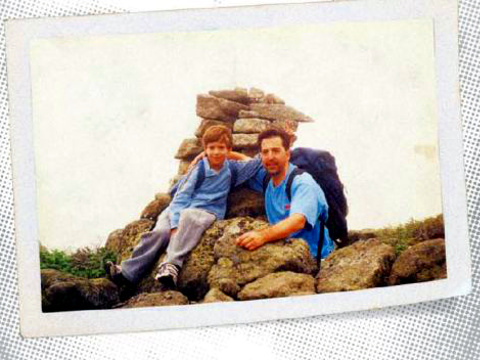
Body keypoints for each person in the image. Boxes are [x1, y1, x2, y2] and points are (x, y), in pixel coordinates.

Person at [105, 125, 262, 289]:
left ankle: (171, 265)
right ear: (205, 149)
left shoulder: (232, 169)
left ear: (228, 149)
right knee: (159, 233)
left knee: (189, 217)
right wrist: (174, 224)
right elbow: (181, 197)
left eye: (221, 148)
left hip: (206, 211)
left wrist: (233, 154)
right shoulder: (198, 168)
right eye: (211, 148)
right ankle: (127, 273)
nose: (216, 152)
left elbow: (256, 162)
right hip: (179, 209)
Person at [236, 128, 335, 259]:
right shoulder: (266, 179)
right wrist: (222, 154)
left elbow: (298, 220)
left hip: (315, 258)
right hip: (284, 253)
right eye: (265, 152)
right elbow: (245, 163)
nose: (270, 157)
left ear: (287, 154)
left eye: (276, 151)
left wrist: (262, 236)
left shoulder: (302, 183)